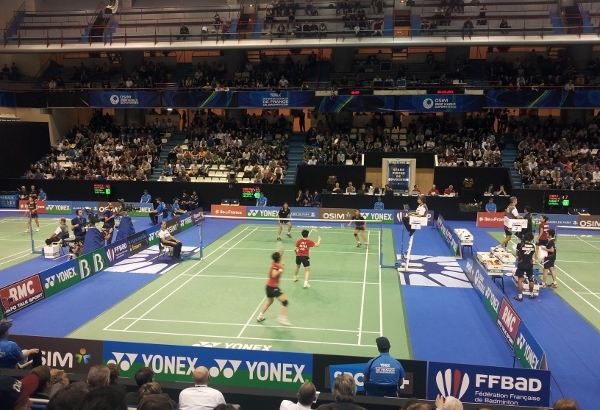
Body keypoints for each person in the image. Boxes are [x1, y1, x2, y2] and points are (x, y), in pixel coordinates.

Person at [256, 251, 291, 326]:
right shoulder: (276, 266)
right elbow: (274, 274)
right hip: (273, 287)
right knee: (285, 302)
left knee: (269, 302)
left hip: (268, 287)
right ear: (278, 258)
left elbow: (282, 264)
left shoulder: (274, 263)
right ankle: (281, 318)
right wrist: (280, 270)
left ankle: (260, 316)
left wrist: (281, 255)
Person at [514, 232, 537, 301]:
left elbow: (517, 254)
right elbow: (532, 254)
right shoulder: (533, 246)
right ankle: (531, 294)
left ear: (524, 237)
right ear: (531, 239)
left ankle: (520, 296)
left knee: (520, 280)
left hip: (521, 264)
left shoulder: (519, 245)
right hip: (529, 264)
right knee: (531, 279)